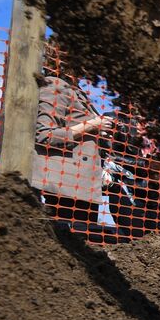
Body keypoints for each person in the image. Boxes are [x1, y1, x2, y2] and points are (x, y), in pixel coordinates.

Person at [31, 75, 115, 239]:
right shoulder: (56, 85)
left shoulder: (77, 92)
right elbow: (44, 135)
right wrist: (91, 125)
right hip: (64, 188)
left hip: (83, 188)